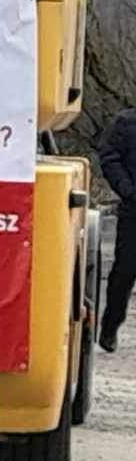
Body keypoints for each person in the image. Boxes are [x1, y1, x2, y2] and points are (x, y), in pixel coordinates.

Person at [96, 107, 136, 353]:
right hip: (133, 211)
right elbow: (109, 157)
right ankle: (110, 327)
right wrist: (127, 190)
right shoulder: (125, 122)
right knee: (124, 273)